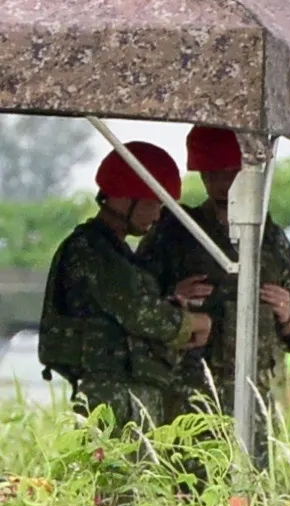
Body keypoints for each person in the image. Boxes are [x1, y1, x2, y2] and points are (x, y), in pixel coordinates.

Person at [38, 142, 213, 432]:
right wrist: (196, 322)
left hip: (125, 389)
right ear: (122, 198)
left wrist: (171, 299)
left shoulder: (113, 252)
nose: (157, 216)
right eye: (151, 203)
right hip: (114, 395)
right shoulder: (92, 250)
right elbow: (142, 315)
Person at [136, 126, 290, 417]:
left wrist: (289, 316)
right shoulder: (175, 232)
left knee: (251, 463)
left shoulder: (268, 238)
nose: (219, 182)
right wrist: (172, 298)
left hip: (254, 395)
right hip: (188, 396)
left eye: (228, 172)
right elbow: (138, 303)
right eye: (210, 174)